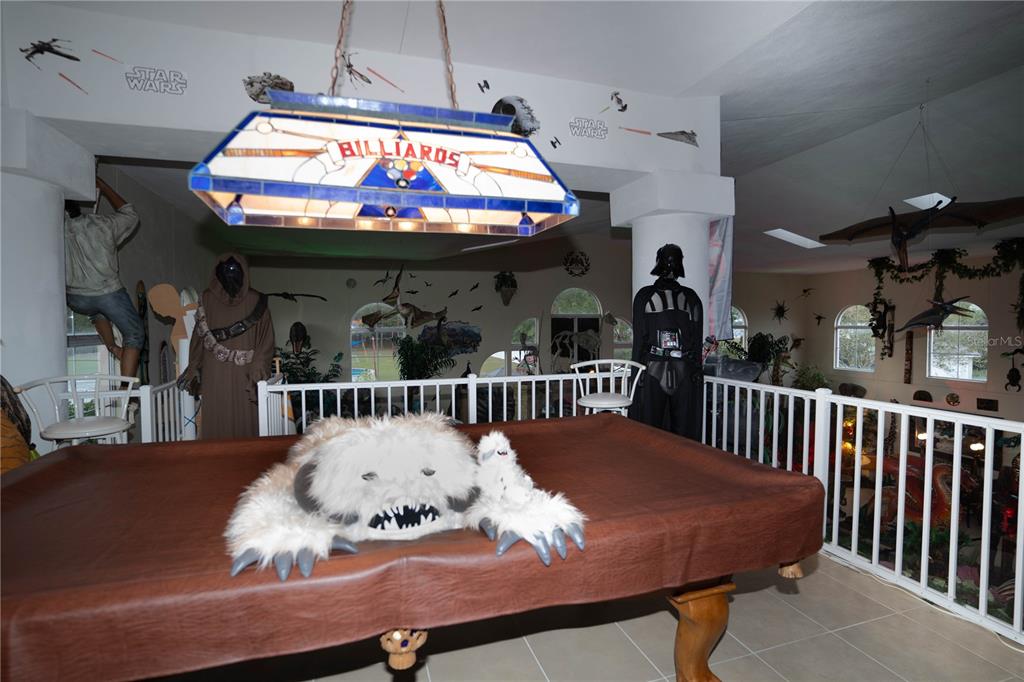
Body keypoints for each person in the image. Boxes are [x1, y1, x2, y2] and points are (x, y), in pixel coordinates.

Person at [177, 253, 274, 439]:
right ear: (217, 271)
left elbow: (265, 342)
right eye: (226, 269)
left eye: (234, 269)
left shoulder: (257, 301)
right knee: (216, 420)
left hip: (245, 374)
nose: (230, 273)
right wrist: (193, 368)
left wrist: (257, 373)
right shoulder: (206, 299)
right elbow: (199, 337)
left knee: (246, 422)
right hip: (214, 374)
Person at [64, 177, 144, 379]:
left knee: (98, 312)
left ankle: (112, 347)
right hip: (107, 293)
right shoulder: (101, 225)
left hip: (75, 299)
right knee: (135, 335)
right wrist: (105, 186)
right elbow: (129, 213)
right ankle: (126, 390)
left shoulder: (57, 231)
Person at [629, 243, 704, 439]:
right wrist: (637, 371)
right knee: (653, 430)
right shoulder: (646, 296)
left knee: (673, 432)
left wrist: (697, 369)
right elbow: (640, 339)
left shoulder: (690, 298)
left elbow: (695, 338)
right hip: (661, 366)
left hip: (671, 367)